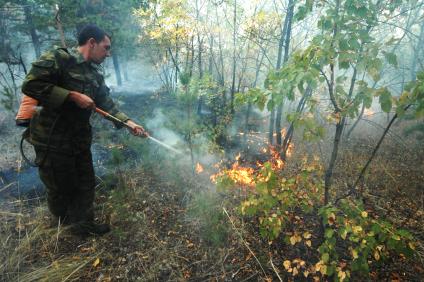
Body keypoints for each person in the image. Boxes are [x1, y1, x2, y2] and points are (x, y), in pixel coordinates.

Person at [21, 24, 147, 235]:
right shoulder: (59, 59)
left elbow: (106, 104)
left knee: (86, 183)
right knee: (60, 188)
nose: (108, 53)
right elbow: (30, 85)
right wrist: (71, 96)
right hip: (52, 140)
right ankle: (62, 224)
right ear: (91, 43)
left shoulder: (94, 75)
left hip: (78, 140)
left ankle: (83, 225)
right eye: (106, 48)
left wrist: (129, 123)